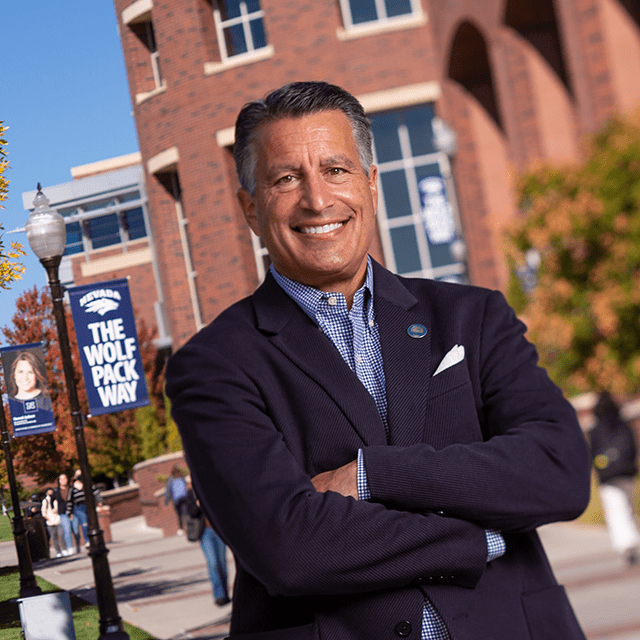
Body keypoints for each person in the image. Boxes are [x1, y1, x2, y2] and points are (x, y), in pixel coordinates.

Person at [165, 81, 592, 639]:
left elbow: (559, 471)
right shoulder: (213, 365)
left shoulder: (471, 317)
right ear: (251, 207)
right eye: (285, 178)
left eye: (336, 170)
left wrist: (372, 475)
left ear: (370, 183)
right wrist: (478, 536)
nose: (317, 200)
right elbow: (290, 548)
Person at [589, 391, 640, 566]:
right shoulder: (624, 425)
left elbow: (591, 454)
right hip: (626, 473)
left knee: (615, 512)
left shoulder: (595, 430)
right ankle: (632, 541)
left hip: (608, 477)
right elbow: (633, 447)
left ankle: (626, 545)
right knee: (627, 508)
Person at [185, 489, 231, 606]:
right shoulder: (191, 493)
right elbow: (191, 512)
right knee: (213, 563)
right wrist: (199, 504)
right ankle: (219, 595)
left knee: (222, 563)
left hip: (218, 530)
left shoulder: (211, 489)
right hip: (205, 532)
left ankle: (225, 594)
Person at [7, 350, 53, 415]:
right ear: (15, 375)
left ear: (37, 375)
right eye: (21, 372)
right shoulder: (10, 404)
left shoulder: (48, 400)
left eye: (30, 372)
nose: (25, 377)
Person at [65, 469, 101, 550]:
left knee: (92, 522)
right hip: (79, 508)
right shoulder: (72, 488)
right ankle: (87, 540)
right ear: (75, 476)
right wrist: (69, 512)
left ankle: (95, 539)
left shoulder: (88, 484)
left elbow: (96, 492)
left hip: (89, 506)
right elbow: (69, 500)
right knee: (85, 524)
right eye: (78, 475)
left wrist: (100, 501)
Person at [53, 473, 76, 556]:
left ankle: (78, 546)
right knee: (67, 530)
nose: (63, 480)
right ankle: (70, 547)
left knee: (76, 530)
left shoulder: (71, 488)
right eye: (61, 479)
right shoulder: (56, 491)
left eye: (64, 478)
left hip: (73, 511)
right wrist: (54, 508)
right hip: (63, 513)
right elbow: (52, 500)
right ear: (59, 481)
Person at [41, 487, 66, 558]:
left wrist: (57, 510)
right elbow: (43, 512)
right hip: (50, 522)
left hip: (57, 519)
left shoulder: (56, 500)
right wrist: (48, 518)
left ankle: (64, 549)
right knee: (54, 537)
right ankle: (58, 551)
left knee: (61, 535)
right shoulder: (45, 501)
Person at [164, 466, 189, 534]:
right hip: (184, 498)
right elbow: (186, 486)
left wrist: (166, 500)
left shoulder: (170, 479)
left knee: (179, 515)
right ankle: (189, 527)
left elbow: (168, 490)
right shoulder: (182, 477)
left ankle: (181, 529)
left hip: (176, 500)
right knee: (185, 513)